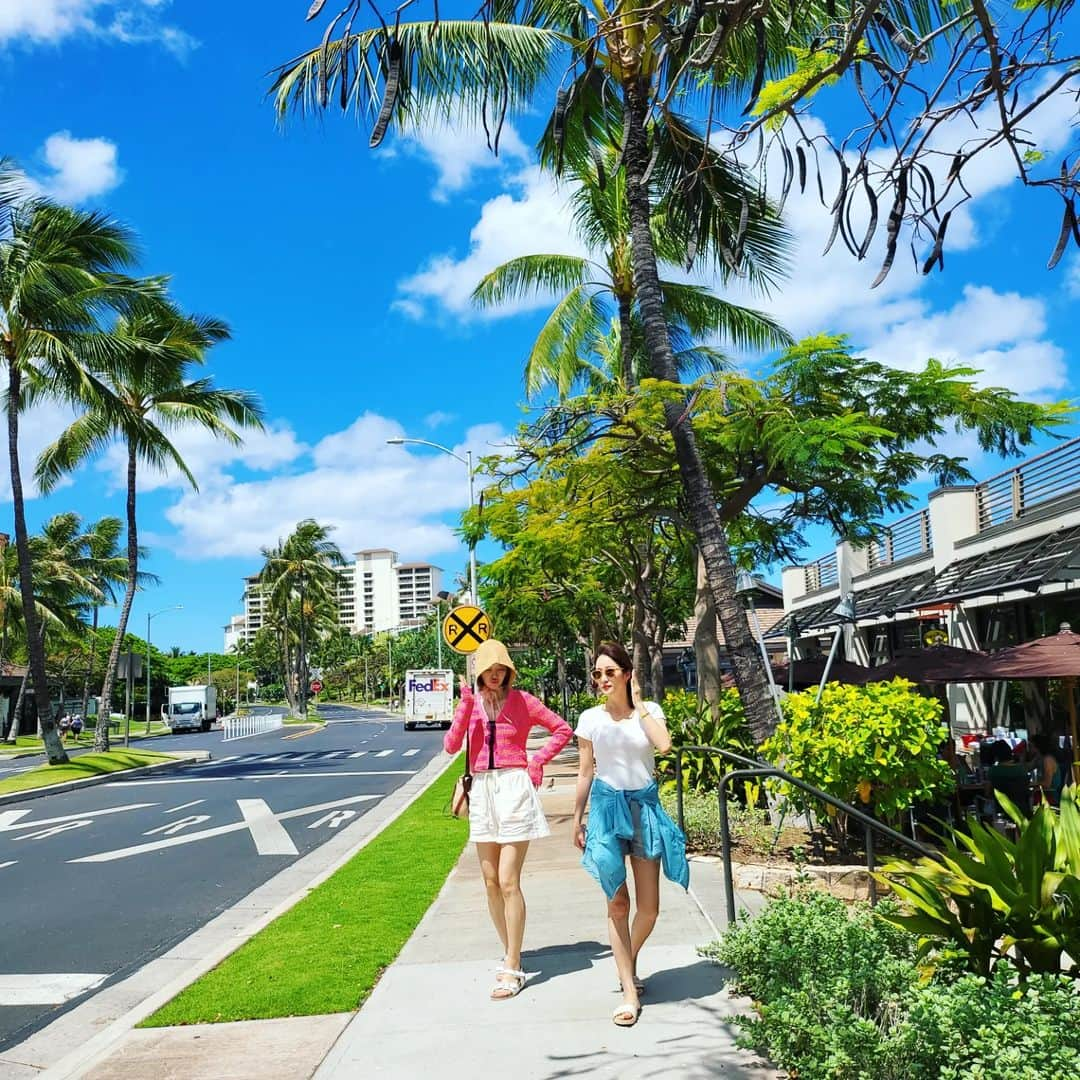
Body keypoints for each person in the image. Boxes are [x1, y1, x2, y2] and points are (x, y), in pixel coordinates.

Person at [443, 639, 572, 1001]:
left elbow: (562, 729)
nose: (496, 674)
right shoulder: (470, 703)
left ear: (509, 671)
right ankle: (509, 950)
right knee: (489, 881)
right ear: (479, 671)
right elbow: (451, 747)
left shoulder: (523, 701)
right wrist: (465, 705)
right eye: (489, 668)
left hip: (514, 788)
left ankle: (512, 964)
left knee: (508, 880)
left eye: (501, 668)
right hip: (482, 790)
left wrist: (536, 760)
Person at [572, 641, 689, 1028]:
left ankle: (628, 959)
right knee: (617, 904)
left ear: (626, 673)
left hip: (644, 807)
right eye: (598, 673)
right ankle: (628, 990)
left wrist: (638, 705)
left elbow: (665, 745)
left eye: (610, 671)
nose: (602, 679)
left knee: (649, 908)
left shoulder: (649, 712)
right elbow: (586, 770)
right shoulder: (590, 718)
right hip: (606, 809)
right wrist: (577, 817)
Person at [1032, 734, 1066, 807]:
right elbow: (1027, 768)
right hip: (1044, 795)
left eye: (1031, 745)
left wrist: (1032, 784)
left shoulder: (1047, 760)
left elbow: (1047, 784)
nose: (1030, 748)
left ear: (1037, 747)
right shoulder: (1039, 758)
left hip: (1051, 797)